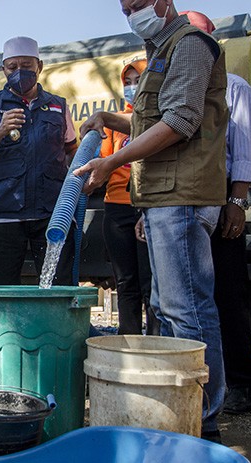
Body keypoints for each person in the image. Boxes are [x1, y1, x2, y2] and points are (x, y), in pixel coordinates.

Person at [75, 2, 228, 442]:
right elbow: (152, 122)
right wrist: (109, 119)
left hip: (181, 195)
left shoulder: (191, 45)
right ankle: (182, 411)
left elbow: (180, 121)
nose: (134, 13)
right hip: (162, 197)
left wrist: (112, 162)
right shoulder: (161, 48)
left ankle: (203, 417)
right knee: (166, 308)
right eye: (126, 8)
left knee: (188, 309)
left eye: (140, 4)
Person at [183, 10, 251, 415]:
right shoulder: (176, 92)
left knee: (228, 295)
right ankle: (197, 380)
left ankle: (241, 384)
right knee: (187, 298)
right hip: (184, 206)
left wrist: (236, 202)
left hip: (221, 203)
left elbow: (246, 152)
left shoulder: (235, 89)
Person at [0, 36, 79, 286]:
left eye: (27, 66)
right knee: (2, 287)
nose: (20, 72)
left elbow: (73, 151)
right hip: (3, 215)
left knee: (57, 286)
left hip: (51, 214)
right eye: (13, 67)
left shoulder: (58, 106)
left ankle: (54, 326)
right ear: (3, 70)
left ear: (39, 66)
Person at [100, 57, 159, 336]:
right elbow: (104, 160)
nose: (132, 87)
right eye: (128, 83)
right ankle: (129, 342)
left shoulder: (159, 119)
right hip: (116, 208)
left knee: (152, 283)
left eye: (139, 81)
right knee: (125, 283)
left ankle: (157, 342)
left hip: (148, 206)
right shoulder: (115, 122)